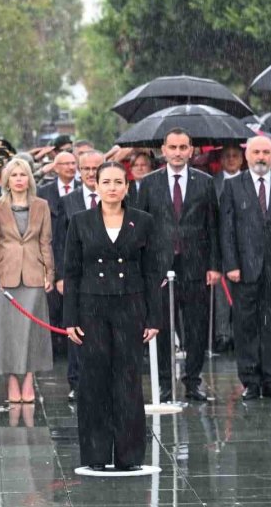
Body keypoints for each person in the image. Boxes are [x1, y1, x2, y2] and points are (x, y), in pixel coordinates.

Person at [64, 161, 161, 471]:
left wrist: (154, 317)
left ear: (127, 187)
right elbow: (72, 272)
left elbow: (151, 271)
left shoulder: (143, 221)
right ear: (96, 186)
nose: (112, 187)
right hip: (92, 308)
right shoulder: (80, 222)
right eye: (106, 181)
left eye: (118, 182)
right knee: (93, 381)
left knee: (128, 380)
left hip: (130, 306)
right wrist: (70, 319)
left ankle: (128, 455)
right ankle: (95, 454)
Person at [137, 128, 221, 402]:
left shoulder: (205, 182)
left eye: (183, 147)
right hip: (159, 267)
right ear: (163, 149)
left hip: (195, 265)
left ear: (191, 150)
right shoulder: (149, 183)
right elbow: (141, 227)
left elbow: (213, 226)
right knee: (160, 326)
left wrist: (214, 265)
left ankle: (193, 380)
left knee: (196, 326)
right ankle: (164, 382)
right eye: (172, 147)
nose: (177, 152)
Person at [220, 136, 271, 401]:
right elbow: (227, 229)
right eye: (256, 152)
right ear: (247, 155)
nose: (261, 157)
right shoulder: (232, 186)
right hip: (243, 269)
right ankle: (250, 381)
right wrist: (231, 264)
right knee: (245, 325)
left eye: (266, 152)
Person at [0, 158, 54, 403]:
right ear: (7, 180)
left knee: (32, 331)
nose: (18, 179)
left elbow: (45, 241)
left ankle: (28, 380)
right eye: (13, 175)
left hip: (34, 274)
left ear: (29, 179)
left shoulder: (42, 205)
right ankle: (12, 381)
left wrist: (50, 273)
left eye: (22, 175)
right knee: (8, 333)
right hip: (5, 275)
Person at [58, 149, 104, 401]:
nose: (90, 173)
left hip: (107, 276)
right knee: (76, 329)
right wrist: (60, 275)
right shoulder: (69, 201)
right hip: (77, 276)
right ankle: (76, 382)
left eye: (95, 168)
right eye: (85, 168)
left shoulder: (115, 198)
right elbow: (59, 242)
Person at [37, 152, 78, 339]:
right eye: (66, 164)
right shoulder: (43, 192)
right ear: (55, 167)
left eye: (73, 163)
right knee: (52, 310)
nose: (70, 167)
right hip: (51, 254)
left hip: (77, 256)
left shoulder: (83, 189)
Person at [212, 144, 243, 353]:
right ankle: (223, 334)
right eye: (227, 156)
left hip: (247, 247)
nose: (231, 160)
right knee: (222, 294)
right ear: (221, 160)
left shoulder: (250, 181)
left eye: (235, 156)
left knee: (244, 293)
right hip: (221, 244)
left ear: (242, 159)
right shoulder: (211, 182)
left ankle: (242, 332)